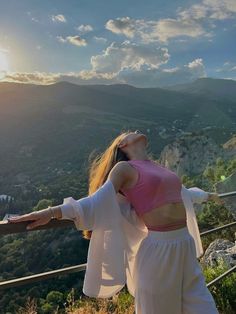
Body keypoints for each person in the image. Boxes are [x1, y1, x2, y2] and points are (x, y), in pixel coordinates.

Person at [8, 130, 223, 313]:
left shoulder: (157, 166)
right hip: (159, 250)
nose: (136, 130)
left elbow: (182, 193)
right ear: (123, 144)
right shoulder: (124, 170)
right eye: (130, 132)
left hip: (184, 243)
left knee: (204, 308)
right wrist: (52, 211)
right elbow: (96, 202)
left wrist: (206, 195)